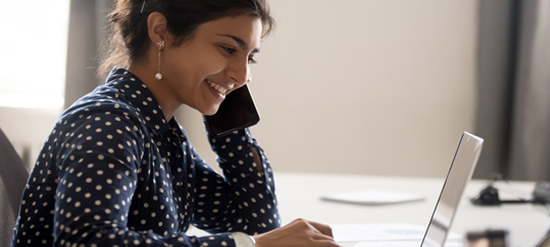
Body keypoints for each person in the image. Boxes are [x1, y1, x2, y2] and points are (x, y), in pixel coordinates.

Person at [11, 0, 340, 246]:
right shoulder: (109, 124)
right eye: (228, 49)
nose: (244, 75)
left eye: (249, 58)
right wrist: (250, 246)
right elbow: (87, 243)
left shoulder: (162, 133)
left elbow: (257, 223)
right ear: (160, 32)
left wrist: (228, 115)